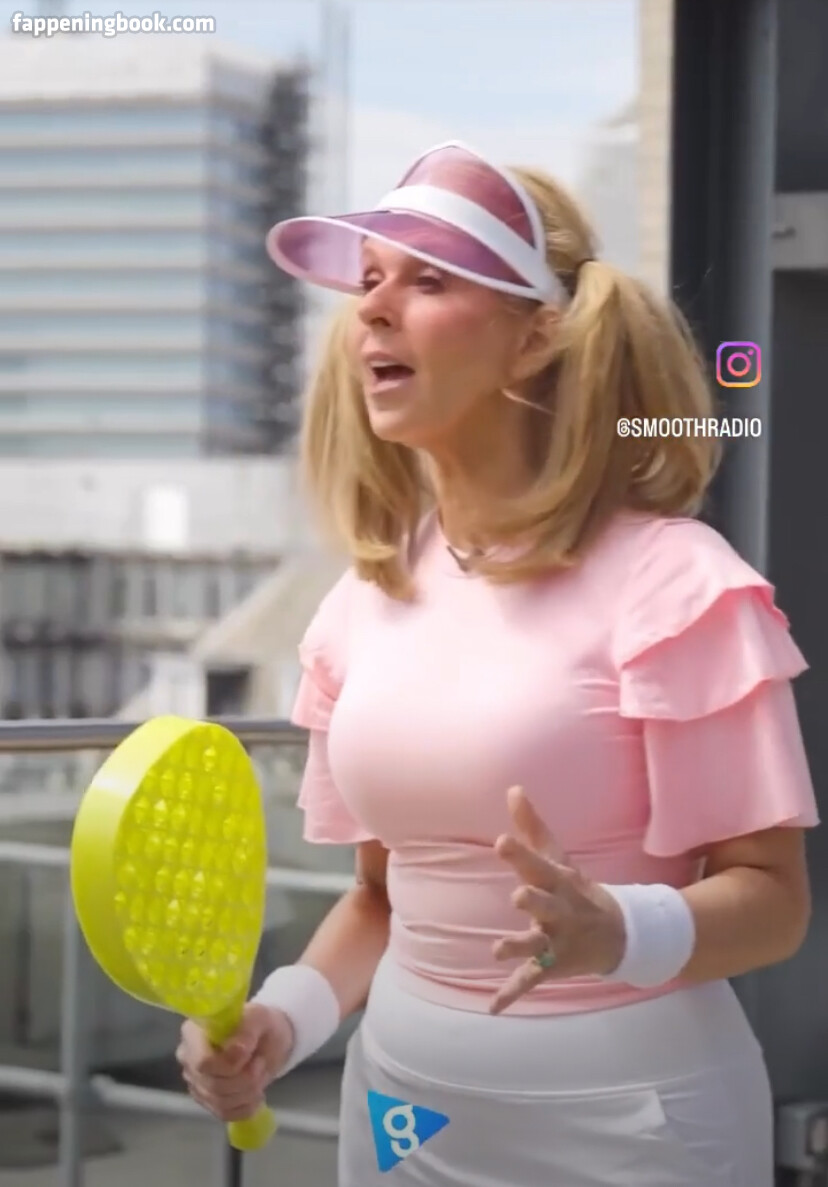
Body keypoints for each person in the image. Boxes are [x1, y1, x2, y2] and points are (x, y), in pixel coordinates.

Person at [176, 141, 819, 1186]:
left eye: (428, 280)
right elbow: (382, 898)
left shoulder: (678, 583)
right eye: (370, 279)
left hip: (634, 1119)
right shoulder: (362, 601)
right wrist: (279, 1021)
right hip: (401, 1109)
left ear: (535, 339)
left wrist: (617, 928)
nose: (373, 308)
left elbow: (774, 901)